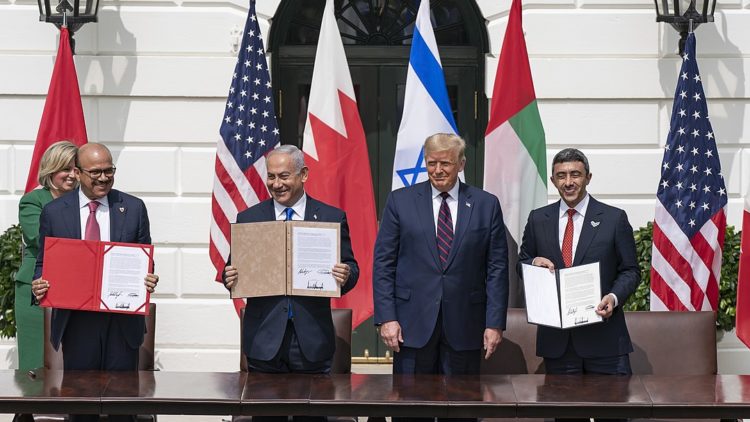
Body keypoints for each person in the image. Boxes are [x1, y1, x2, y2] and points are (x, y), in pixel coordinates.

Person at [31, 143, 159, 422]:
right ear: (77, 172)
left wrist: (149, 277)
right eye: (96, 172)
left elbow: (144, 259)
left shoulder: (134, 208)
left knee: (122, 408)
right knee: (81, 407)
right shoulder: (54, 212)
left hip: (122, 324)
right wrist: (38, 284)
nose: (104, 178)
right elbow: (43, 263)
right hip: (77, 324)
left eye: (109, 171)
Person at [373, 133, 509, 380]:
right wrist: (387, 318)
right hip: (411, 327)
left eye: (445, 163)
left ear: (461, 164)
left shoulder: (485, 204)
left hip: (466, 326)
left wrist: (494, 323)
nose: (437, 170)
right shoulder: (400, 201)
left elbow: (497, 269)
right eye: (431, 163)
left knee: (461, 407)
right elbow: (384, 264)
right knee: (411, 409)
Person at [518, 148, 639, 422]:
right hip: (559, 345)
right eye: (561, 176)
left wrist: (613, 297)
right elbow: (522, 263)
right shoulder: (538, 219)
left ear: (588, 177)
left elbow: (630, 270)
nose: (568, 181)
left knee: (615, 416)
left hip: (606, 341)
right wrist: (533, 263)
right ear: (553, 180)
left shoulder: (613, 218)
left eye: (575, 174)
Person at [223, 145, 358, 381]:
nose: (277, 184)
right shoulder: (249, 219)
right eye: (271, 176)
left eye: (284, 176)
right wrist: (230, 277)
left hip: (312, 342)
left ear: (303, 174)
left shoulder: (330, 217)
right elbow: (232, 270)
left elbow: (351, 269)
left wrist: (345, 274)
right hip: (264, 341)